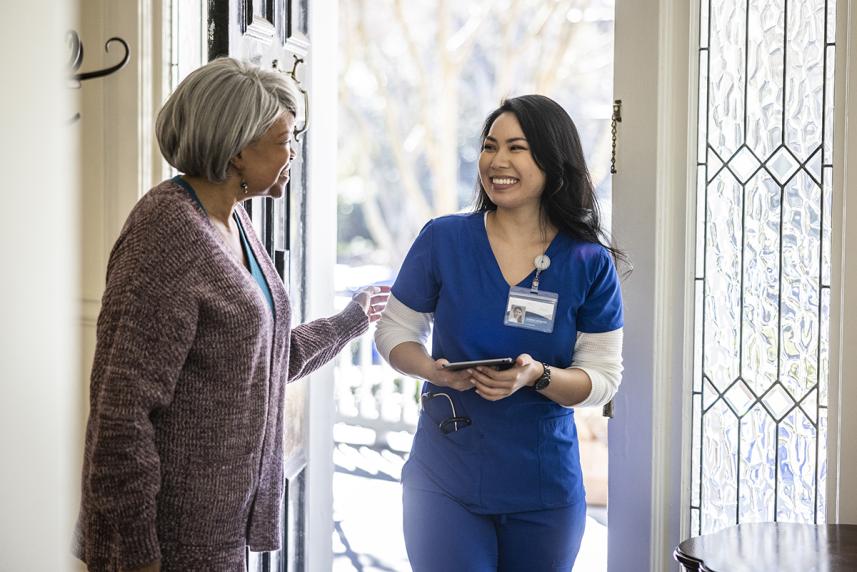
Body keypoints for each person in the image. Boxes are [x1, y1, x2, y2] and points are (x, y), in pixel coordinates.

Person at [73, 57, 390, 572]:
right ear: (240, 149)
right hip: (167, 544)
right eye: (286, 140)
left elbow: (264, 362)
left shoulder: (233, 222)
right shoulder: (167, 231)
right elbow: (121, 412)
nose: (294, 154)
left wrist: (351, 320)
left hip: (217, 535)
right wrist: (137, 557)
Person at [374, 95, 625, 571]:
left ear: (553, 162)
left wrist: (537, 375)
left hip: (543, 487)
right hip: (445, 478)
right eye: (490, 146)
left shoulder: (588, 262)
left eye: (517, 148)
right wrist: (433, 370)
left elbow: (602, 379)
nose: (498, 161)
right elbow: (394, 331)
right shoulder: (443, 239)